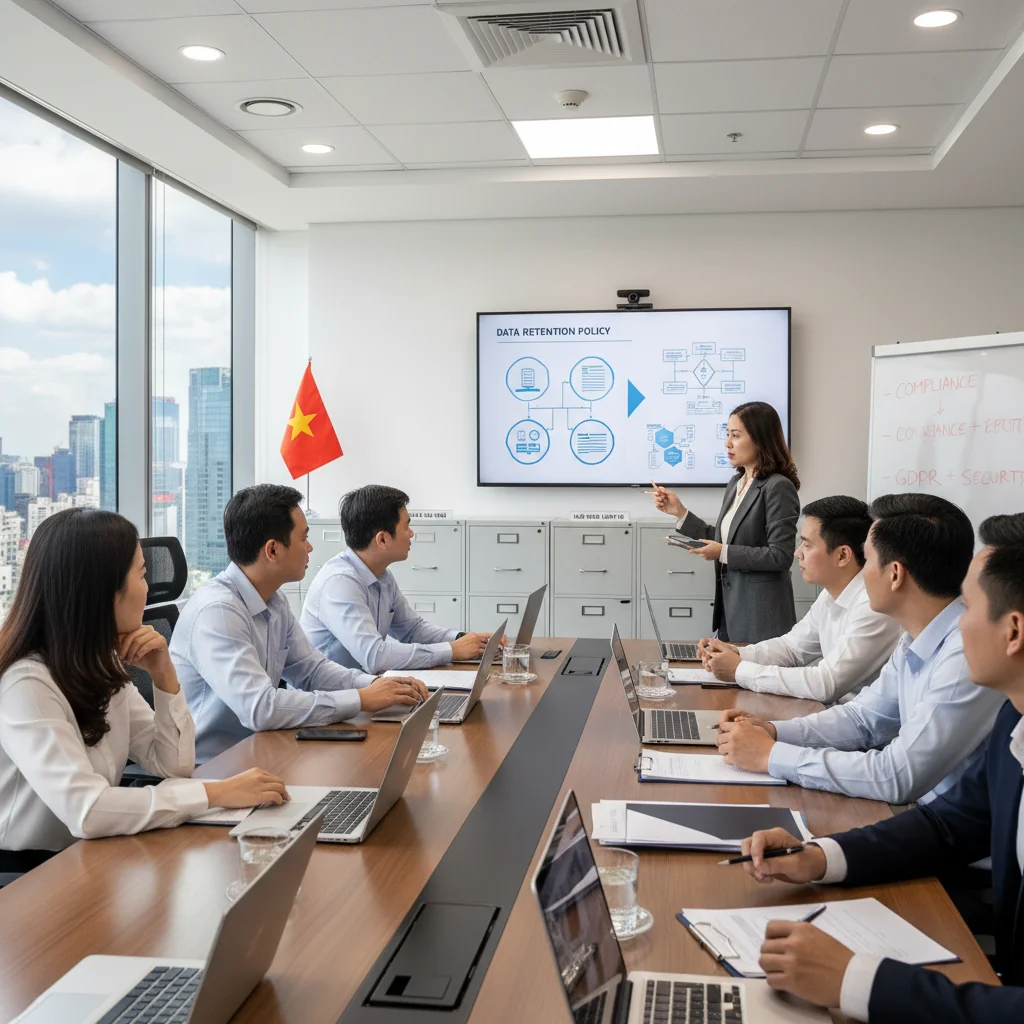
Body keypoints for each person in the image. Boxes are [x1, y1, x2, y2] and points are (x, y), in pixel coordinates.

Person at [737, 512, 1024, 1022]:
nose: (959, 621)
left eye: (971, 605)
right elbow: (948, 822)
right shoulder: (1013, 724)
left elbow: (901, 778)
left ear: (1014, 631)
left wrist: (860, 982)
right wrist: (819, 856)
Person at [0, 508, 289, 872]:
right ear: (103, 590)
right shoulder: (27, 682)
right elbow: (86, 810)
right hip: (30, 877)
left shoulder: (99, 661)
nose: (148, 588)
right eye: (141, 574)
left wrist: (163, 674)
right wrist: (217, 793)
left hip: (93, 856)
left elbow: (173, 764)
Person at [716, 493, 1005, 805]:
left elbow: (897, 775)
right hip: (922, 819)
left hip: (949, 835)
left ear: (895, 574)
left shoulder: (964, 656)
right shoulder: (915, 637)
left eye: (866, 559)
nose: (860, 572)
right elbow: (864, 718)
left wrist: (772, 755)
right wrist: (773, 731)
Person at [171, 485, 428, 763]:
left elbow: (312, 670)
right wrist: (362, 699)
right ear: (273, 550)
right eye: (303, 538)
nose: (310, 547)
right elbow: (261, 708)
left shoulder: (273, 600)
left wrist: (378, 686)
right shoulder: (219, 611)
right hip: (214, 765)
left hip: (264, 747)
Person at [701, 495, 901, 703]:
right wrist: (738, 654)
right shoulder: (831, 593)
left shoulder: (873, 606)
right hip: (834, 715)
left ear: (843, 556)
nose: (797, 553)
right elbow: (792, 649)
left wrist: (739, 669)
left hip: (857, 725)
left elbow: (826, 683)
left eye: (807, 545)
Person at [301, 485, 496, 673]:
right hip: (333, 697)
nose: (411, 534)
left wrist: (465, 639)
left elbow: (412, 630)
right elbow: (375, 656)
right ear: (382, 539)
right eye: (406, 526)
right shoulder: (340, 583)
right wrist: (452, 650)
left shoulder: (382, 575)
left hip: (366, 688)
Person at [650, 401, 800, 643]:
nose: (727, 443)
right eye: (727, 434)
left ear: (760, 439)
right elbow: (722, 541)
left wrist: (723, 553)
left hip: (761, 617)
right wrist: (680, 513)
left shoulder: (778, 487)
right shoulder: (736, 483)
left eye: (736, 435)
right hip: (731, 611)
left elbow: (780, 555)